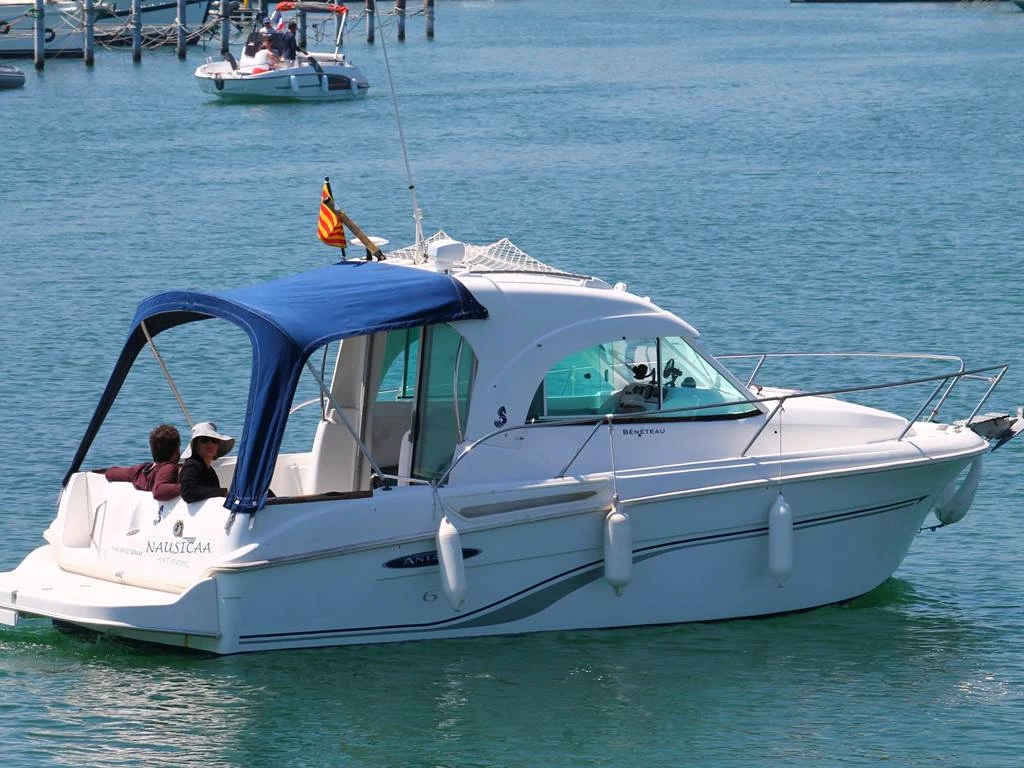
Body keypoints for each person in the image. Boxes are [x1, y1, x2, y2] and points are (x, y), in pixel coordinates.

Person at [102, 424, 182, 502]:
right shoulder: (168, 468)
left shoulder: (140, 471)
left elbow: (110, 473)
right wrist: (187, 487)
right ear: (177, 451)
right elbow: (159, 491)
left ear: (152, 450)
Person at [179, 422, 234, 504]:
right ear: (196, 445)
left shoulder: (210, 470)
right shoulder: (192, 466)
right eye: (204, 440)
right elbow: (188, 493)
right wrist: (221, 492)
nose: (210, 444)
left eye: (214, 440)